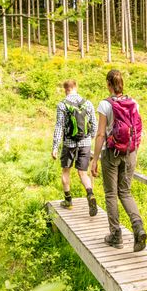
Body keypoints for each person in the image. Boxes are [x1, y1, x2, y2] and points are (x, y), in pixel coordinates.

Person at [90, 69, 147, 252]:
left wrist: (95, 159)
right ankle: (138, 228)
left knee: (110, 194)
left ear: (108, 84)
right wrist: (133, 151)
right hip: (130, 152)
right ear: (122, 83)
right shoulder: (133, 102)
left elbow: (100, 134)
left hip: (111, 153)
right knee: (126, 192)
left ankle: (116, 235)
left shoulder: (105, 105)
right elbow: (138, 129)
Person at [52, 79, 98, 216]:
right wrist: (90, 137)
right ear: (75, 87)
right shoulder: (87, 103)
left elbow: (59, 126)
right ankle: (90, 195)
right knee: (82, 173)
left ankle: (68, 201)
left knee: (66, 171)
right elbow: (94, 124)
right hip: (85, 143)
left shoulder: (62, 105)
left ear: (65, 89)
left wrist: (55, 147)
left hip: (69, 143)